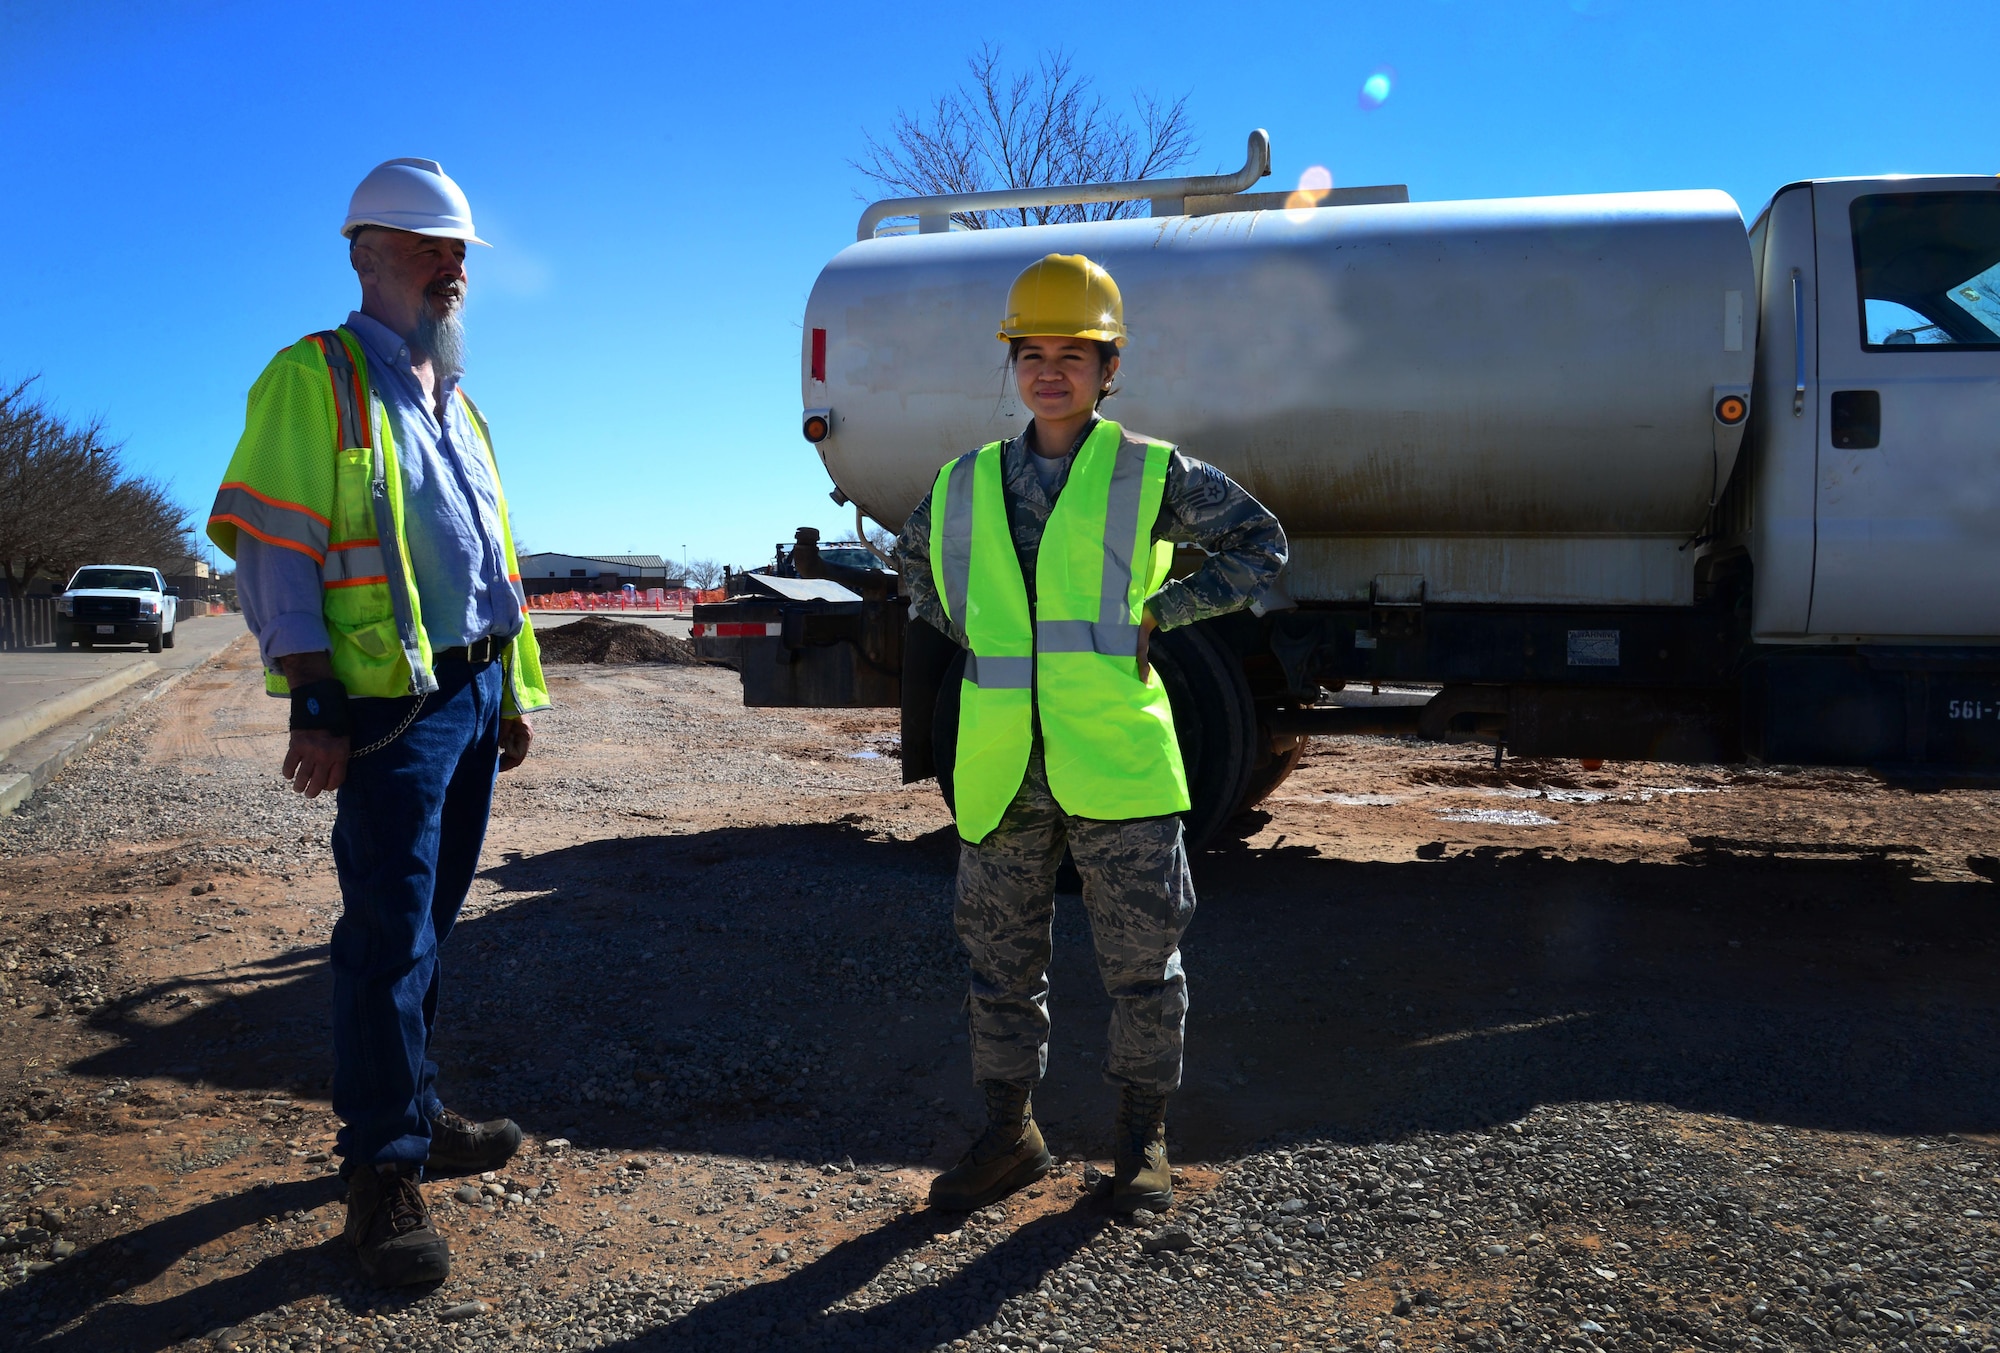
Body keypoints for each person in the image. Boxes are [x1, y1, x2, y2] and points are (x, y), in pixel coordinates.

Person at [205, 158, 550, 1286]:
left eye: (456, 251)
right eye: (423, 246)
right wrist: (312, 698)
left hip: (469, 695)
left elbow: (493, 565)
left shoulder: (457, 398)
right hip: (385, 709)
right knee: (384, 937)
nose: (448, 267)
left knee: (428, 926)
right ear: (364, 252)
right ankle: (381, 1172)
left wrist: (514, 693)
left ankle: (418, 1109)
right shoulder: (318, 378)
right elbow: (276, 550)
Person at [896, 253, 1287, 1214]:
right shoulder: (961, 481)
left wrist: (1167, 611)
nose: (1051, 371)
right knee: (999, 967)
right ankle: (1009, 1134)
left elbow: (1259, 545)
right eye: (1033, 352)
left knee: (1143, 965)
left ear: (1111, 367)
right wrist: (983, 634)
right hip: (999, 767)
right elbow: (914, 572)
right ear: (1013, 364)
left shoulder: (1152, 472)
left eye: (1076, 353)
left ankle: (1141, 1136)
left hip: (1116, 757)